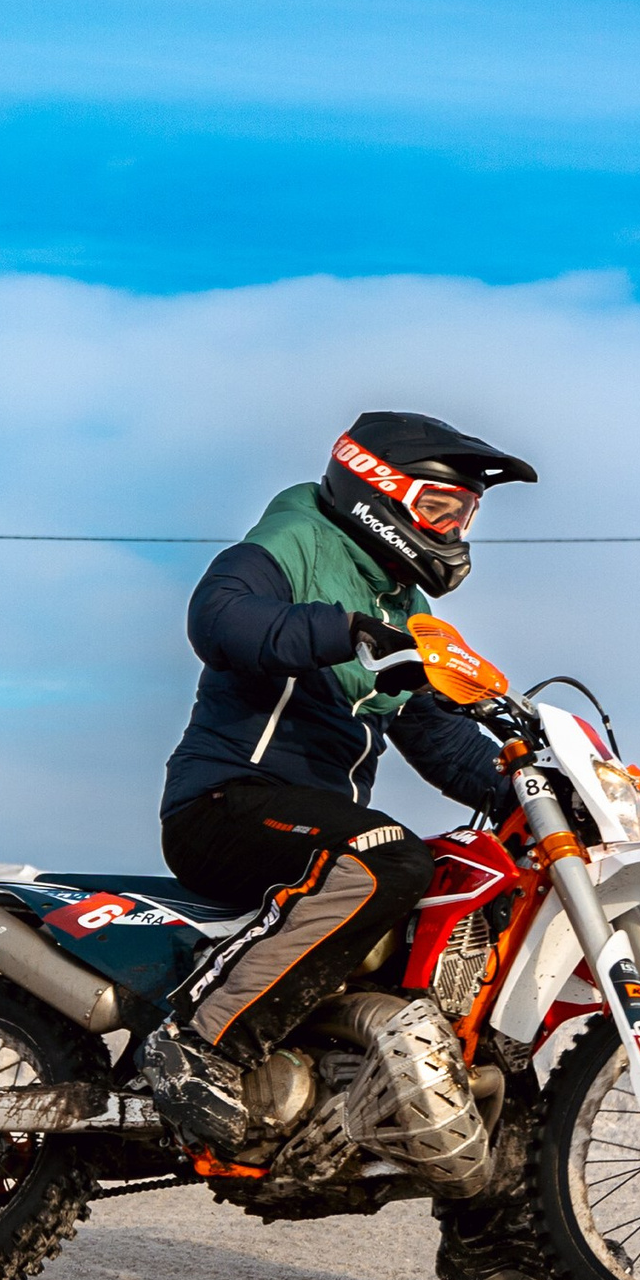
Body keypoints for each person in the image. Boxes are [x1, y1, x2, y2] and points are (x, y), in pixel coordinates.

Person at [144, 413, 538, 1156]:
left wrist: (524, 787)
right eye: (439, 509)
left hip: (320, 830)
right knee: (391, 855)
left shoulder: (403, 607)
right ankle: (200, 1044)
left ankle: (500, 1215)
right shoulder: (296, 538)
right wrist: (342, 629)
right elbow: (219, 617)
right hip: (227, 802)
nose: (454, 530)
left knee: (478, 906)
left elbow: (431, 730)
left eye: (464, 515)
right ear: (379, 492)